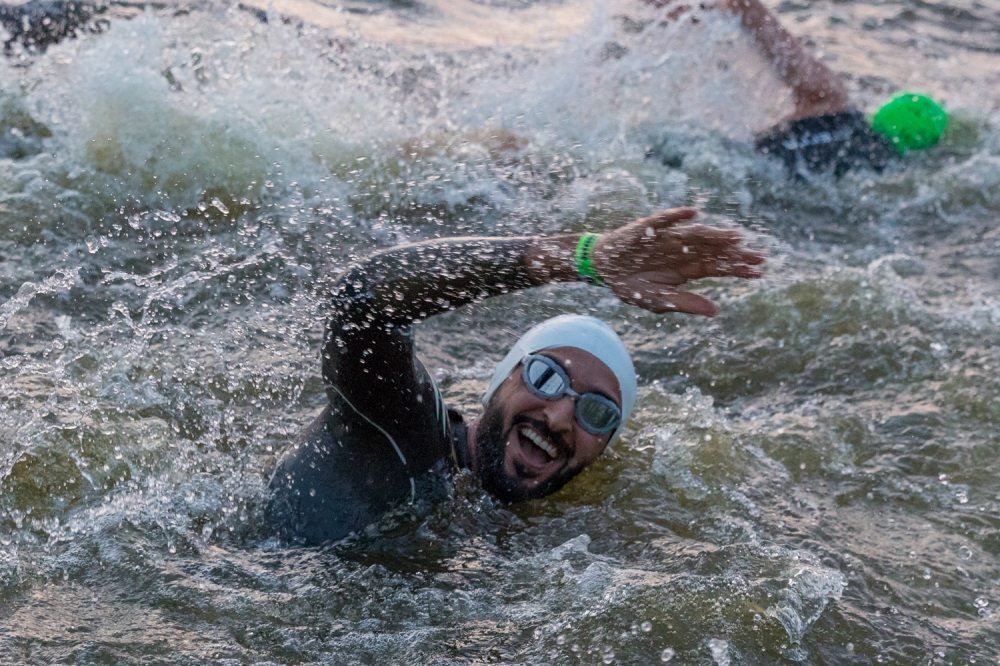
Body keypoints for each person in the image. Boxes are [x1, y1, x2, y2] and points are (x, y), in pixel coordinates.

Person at [266, 208, 764, 545]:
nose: (562, 414)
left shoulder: (527, 540)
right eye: (546, 377)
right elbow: (361, 298)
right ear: (498, 383)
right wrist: (582, 258)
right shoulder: (403, 434)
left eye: (597, 412)